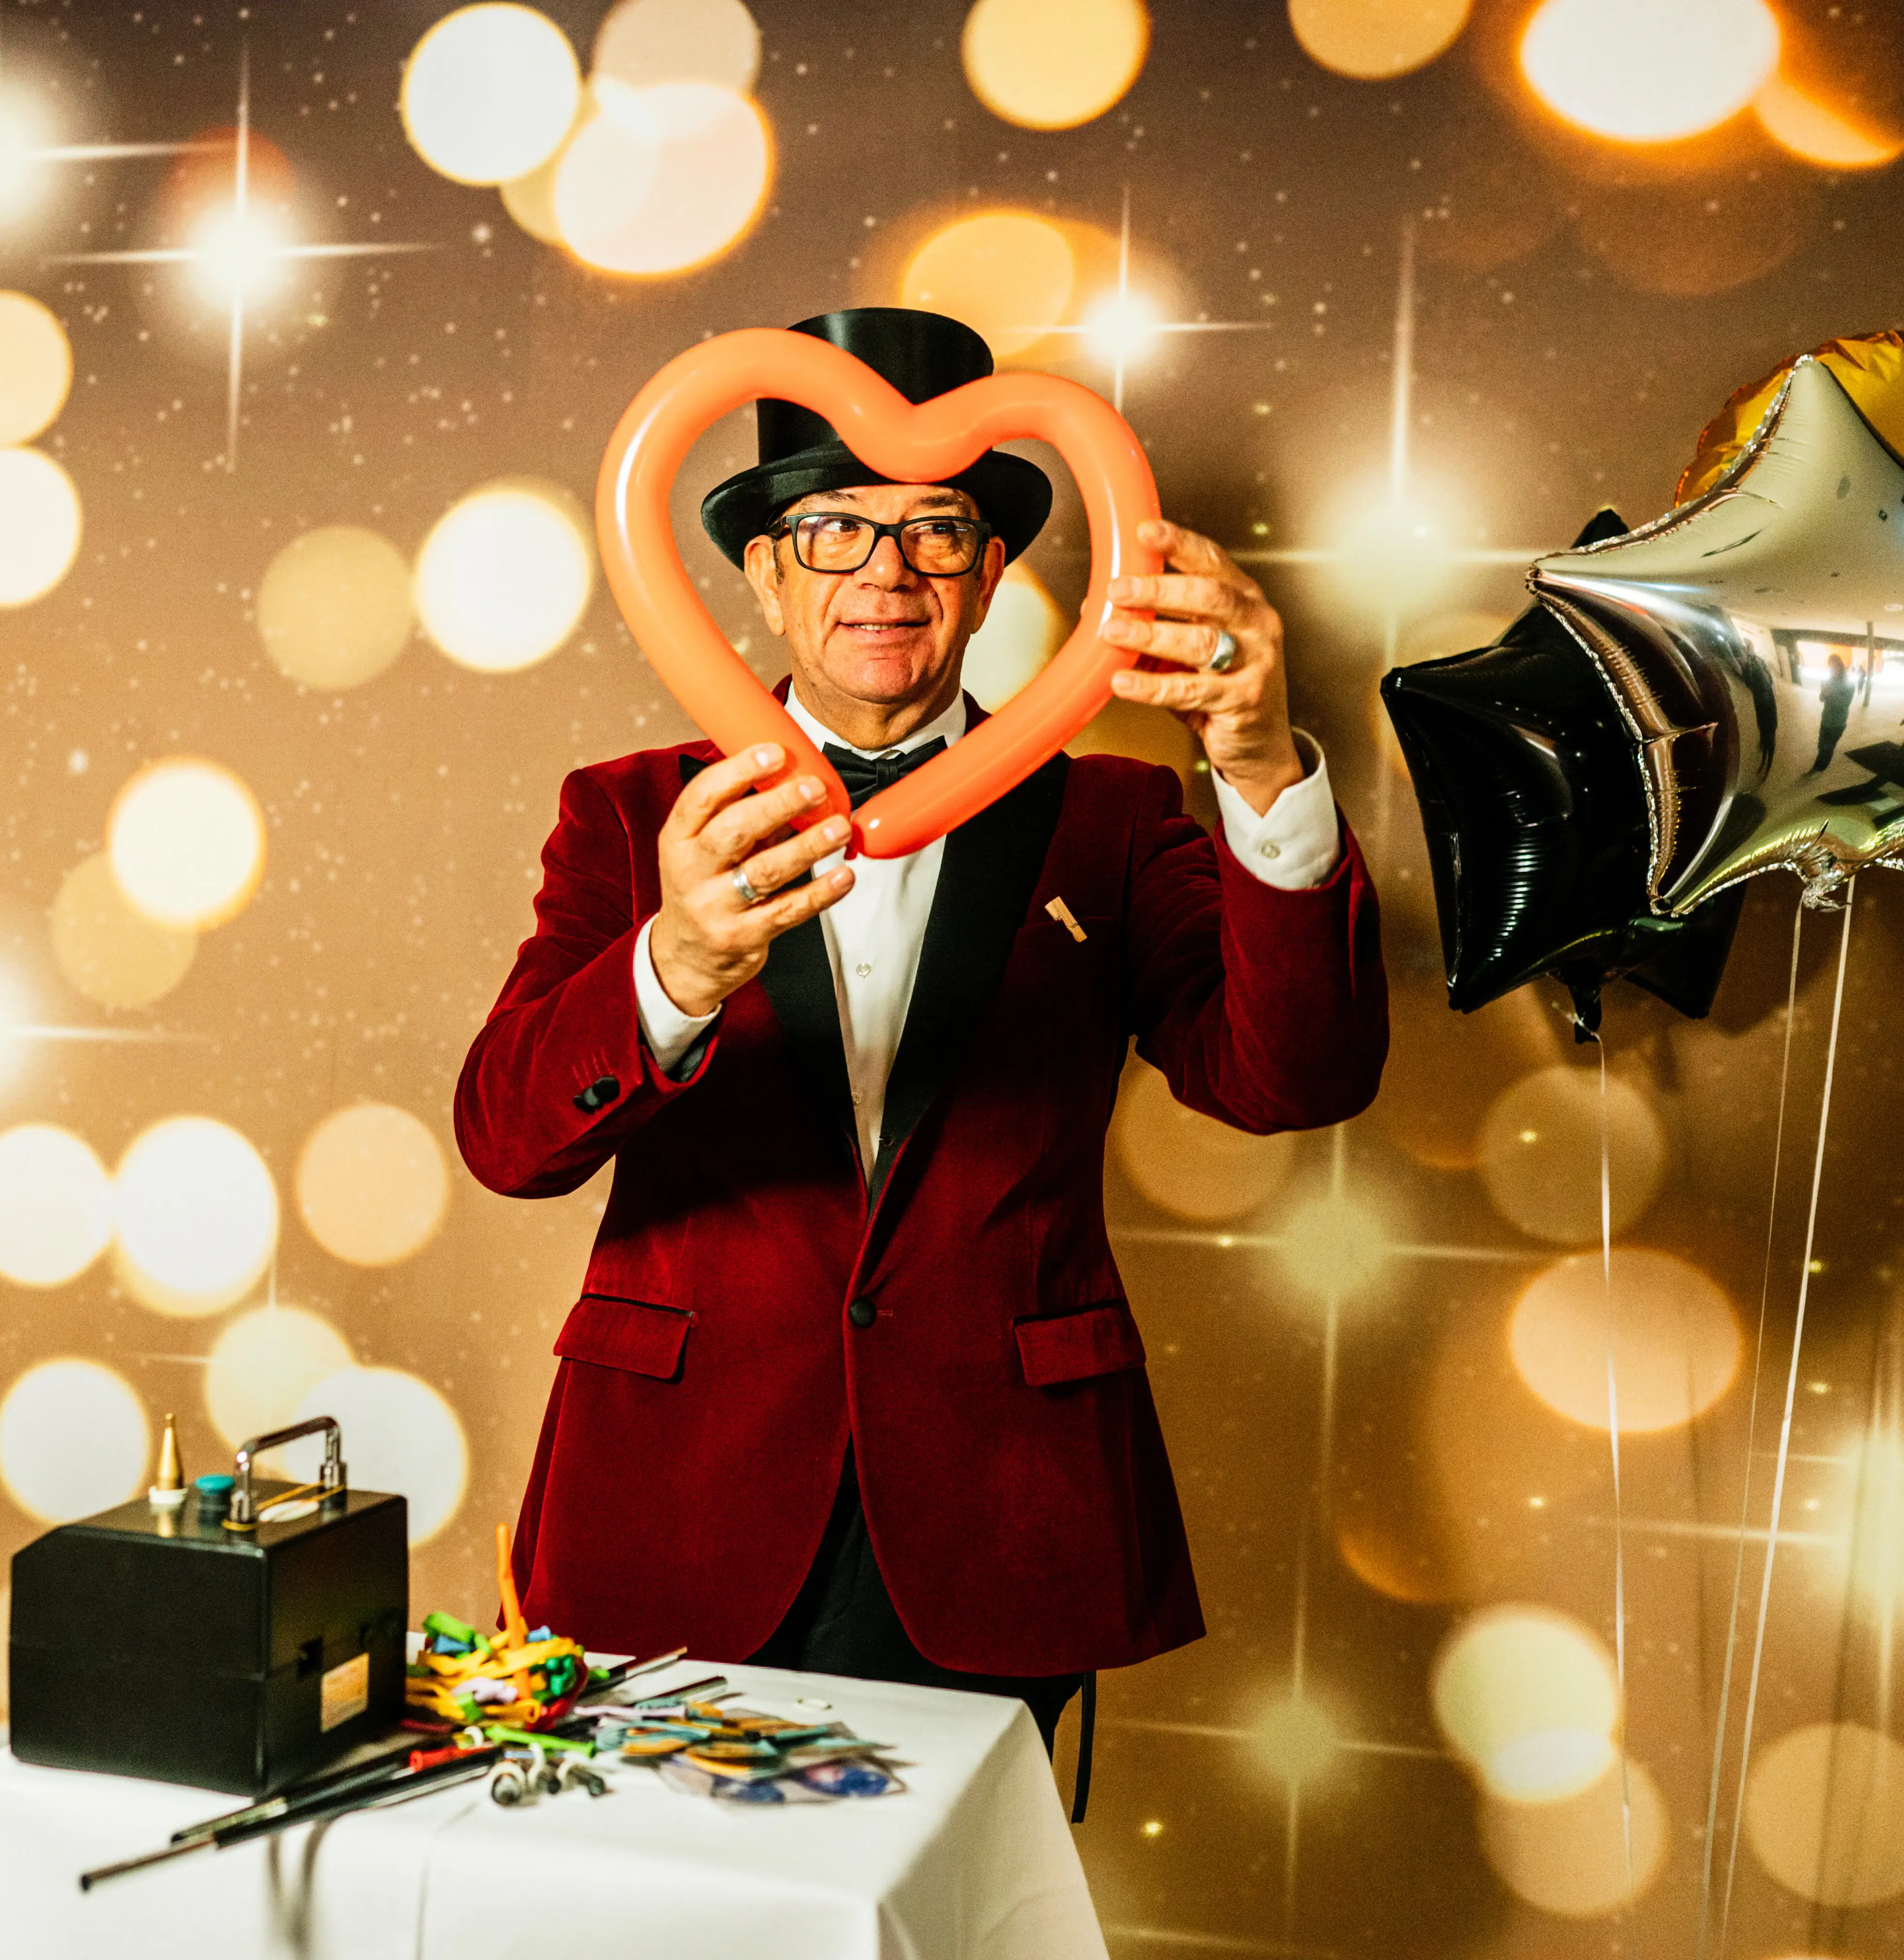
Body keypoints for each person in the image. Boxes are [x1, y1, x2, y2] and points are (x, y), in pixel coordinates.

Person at [452, 309, 1388, 1781]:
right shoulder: (630, 815)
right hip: (674, 1506)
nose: (887, 576)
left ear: (994, 570)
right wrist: (677, 963)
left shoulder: (1114, 820)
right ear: (762, 575)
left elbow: (1296, 1079)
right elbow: (507, 1141)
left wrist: (1261, 762)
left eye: (938, 532)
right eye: (834, 531)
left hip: (999, 1524)